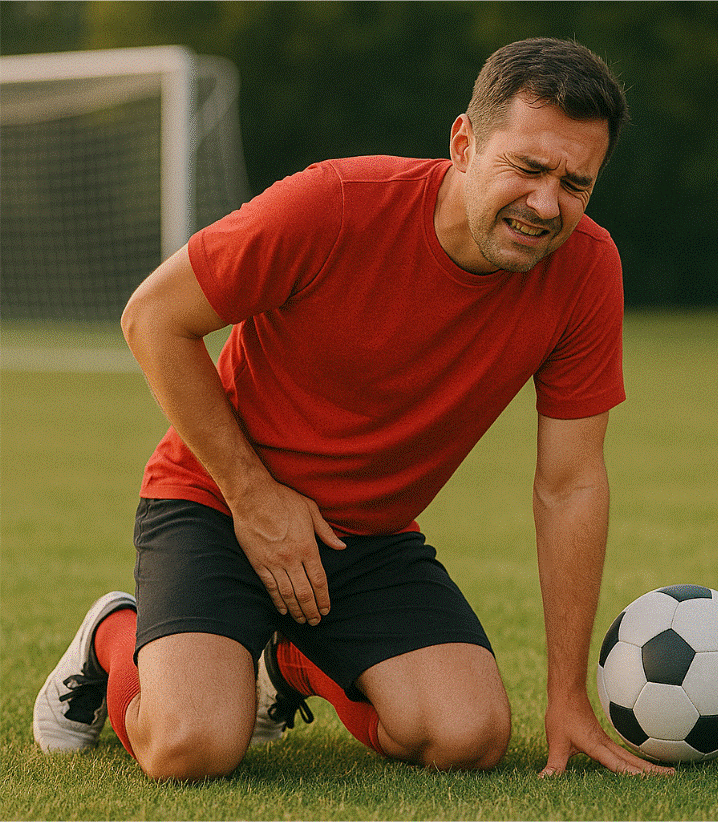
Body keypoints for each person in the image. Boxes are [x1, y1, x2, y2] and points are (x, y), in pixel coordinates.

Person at [33, 37, 675, 780]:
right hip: (216, 501)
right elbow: (152, 317)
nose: (545, 204)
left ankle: (289, 665)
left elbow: (569, 485)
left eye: (576, 183)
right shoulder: (335, 205)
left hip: (362, 537)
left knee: (468, 738)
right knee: (192, 748)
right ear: (464, 143)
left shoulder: (587, 270)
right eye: (527, 168)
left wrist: (567, 698)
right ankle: (113, 635)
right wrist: (253, 496)